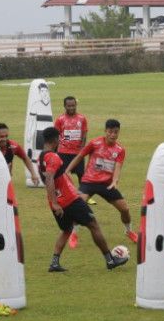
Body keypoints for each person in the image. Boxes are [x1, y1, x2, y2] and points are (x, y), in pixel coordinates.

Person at [39, 127, 128, 272]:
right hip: (70, 200)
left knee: (67, 229)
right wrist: (55, 203)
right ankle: (110, 260)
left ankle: (54, 263)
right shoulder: (54, 157)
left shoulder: (41, 157)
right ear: (56, 139)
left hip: (58, 200)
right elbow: (49, 178)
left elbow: (50, 178)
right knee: (93, 225)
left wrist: (54, 201)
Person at [64, 119, 138, 248]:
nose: (113, 135)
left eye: (116, 132)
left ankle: (129, 231)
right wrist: (68, 170)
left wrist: (115, 181)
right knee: (78, 207)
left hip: (107, 184)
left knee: (125, 209)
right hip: (88, 182)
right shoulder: (94, 143)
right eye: (110, 132)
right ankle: (74, 234)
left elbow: (118, 167)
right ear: (105, 131)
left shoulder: (120, 150)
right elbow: (80, 156)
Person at [53, 96, 88, 185]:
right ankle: (63, 195)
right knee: (62, 175)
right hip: (63, 152)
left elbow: (84, 134)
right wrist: (55, 152)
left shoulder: (82, 118)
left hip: (77, 153)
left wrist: (82, 150)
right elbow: (56, 136)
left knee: (81, 175)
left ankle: (82, 196)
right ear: (64, 106)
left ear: (76, 105)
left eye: (73, 105)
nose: (71, 108)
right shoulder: (60, 119)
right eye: (69, 106)